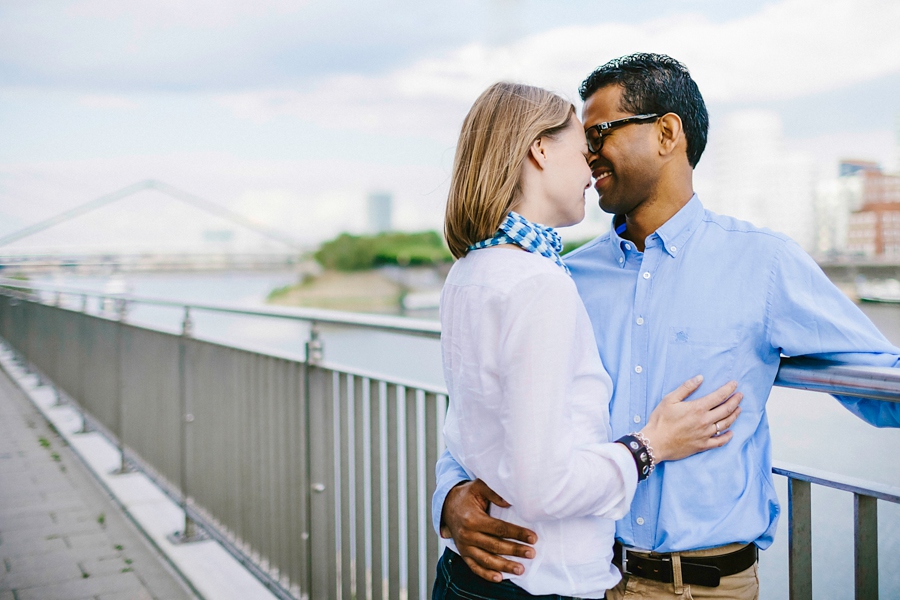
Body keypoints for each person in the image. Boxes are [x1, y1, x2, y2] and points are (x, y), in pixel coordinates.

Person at [434, 54, 900, 600]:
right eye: (580, 139)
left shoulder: (764, 264)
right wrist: (452, 493)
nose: (587, 155)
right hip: (583, 576)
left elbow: (881, 380)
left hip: (706, 588)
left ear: (666, 133)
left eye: (599, 132)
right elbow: (483, 409)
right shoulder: (562, 277)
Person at [433, 81, 743, 600]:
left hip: (479, 577)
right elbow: (543, 483)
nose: (590, 170)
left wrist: (450, 494)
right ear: (539, 149)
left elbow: (470, 424)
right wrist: (650, 447)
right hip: (542, 579)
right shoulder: (539, 283)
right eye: (582, 151)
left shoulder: (469, 272)